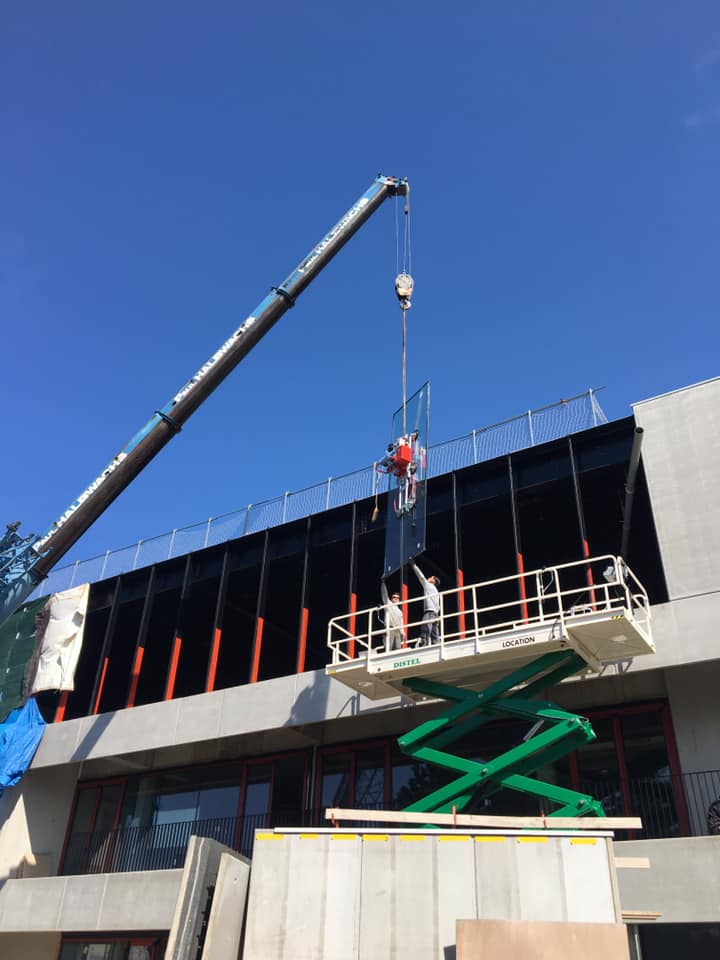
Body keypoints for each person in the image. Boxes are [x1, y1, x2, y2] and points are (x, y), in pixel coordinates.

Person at [411, 562, 441, 646]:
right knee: (435, 634)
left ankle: (424, 645)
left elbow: (420, 576)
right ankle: (437, 645)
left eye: (431, 577)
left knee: (425, 629)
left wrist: (413, 565)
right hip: (435, 614)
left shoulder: (429, 585)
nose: (429, 578)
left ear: (433, 581)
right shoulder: (436, 592)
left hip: (429, 612)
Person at [380, 581, 405, 652]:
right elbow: (384, 594)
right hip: (389, 629)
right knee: (388, 648)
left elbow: (401, 623)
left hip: (397, 630)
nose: (396, 598)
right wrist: (383, 583)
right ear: (391, 598)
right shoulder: (388, 604)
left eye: (397, 598)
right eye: (394, 597)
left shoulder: (400, 612)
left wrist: (402, 632)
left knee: (398, 649)